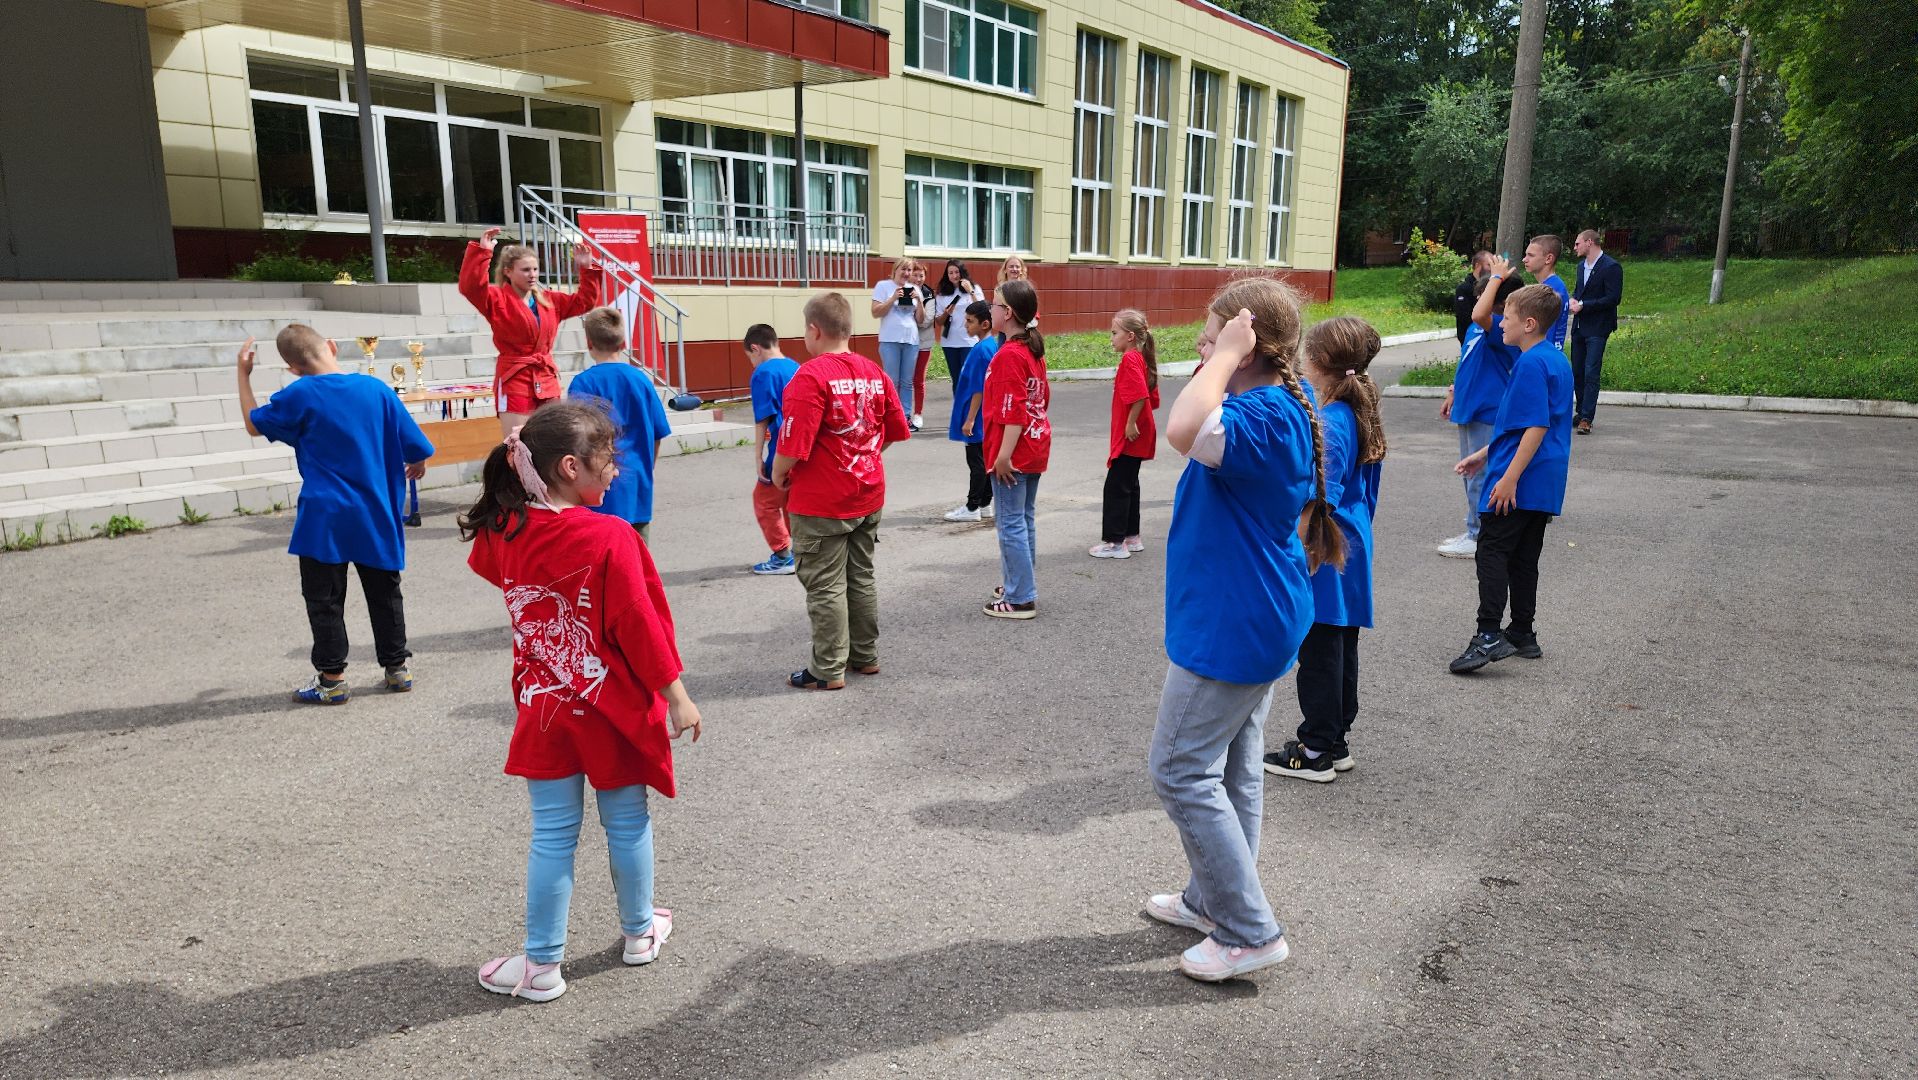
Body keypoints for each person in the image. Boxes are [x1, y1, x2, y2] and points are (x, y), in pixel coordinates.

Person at [461, 402, 702, 1003]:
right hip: (613, 709)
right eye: (607, 460)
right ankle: (640, 933)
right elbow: (638, 624)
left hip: (544, 709)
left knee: (551, 834)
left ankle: (541, 966)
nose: (616, 470)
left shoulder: (505, 529)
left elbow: (493, 566)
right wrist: (677, 695)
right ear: (571, 467)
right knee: (626, 823)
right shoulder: (610, 536)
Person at [1144, 279, 1342, 983]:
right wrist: (1223, 360)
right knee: (1232, 766)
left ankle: (1249, 929)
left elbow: (1180, 430)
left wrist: (1221, 358)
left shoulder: (1257, 415)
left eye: (1214, 332)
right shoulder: (1274, 407)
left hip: (1236, 624)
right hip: (1255, 613)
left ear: (1248, 343)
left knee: (1178, 769)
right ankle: (1214, 898)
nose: (1203, 343)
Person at [237, 326, 434, 705]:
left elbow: (253, 423)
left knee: (324, 597)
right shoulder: (376, 390)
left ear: (293, 368)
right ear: (331, 347)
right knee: (384, 592)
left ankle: (332, 679)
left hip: (324, 514)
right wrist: (418, 463)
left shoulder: (298, 394)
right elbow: (417, 446)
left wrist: (242, 375)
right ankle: (397, 669)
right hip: (375, 510)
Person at [1262, 316, 1387, 783]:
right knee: (1340, 642)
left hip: (1327, 544)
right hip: (1351, 539)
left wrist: (1293, 552)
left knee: (1319, 647)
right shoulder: (1354, 406)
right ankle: (1334, 740)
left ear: (1316, 360)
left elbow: (1320, 498)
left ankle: (1315, 748)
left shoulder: (1334, 420)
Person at [773, 292, 912, 690]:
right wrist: (866, 453)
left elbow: (792, 444)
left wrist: (779, 475)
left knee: (825, 583)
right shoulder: (874, 372)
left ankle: (827, 668)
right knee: (861, 575)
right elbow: (895, 431)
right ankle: (864, 655)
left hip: (822, 501)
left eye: (805, 329)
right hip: (868, 493)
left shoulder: (810, 376)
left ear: (814, 330)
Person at [1449, 283, 1574, 674]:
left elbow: (1535, 425)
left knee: (1491, 551)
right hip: (1544, 476)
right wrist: (1485, 454)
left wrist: (1508, 477)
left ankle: (1487, 634)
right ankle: (1522, 631)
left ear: (1530, 324)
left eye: (1509, 316)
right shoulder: (1555, 359)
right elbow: (1528, 422)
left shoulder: (1530, 363)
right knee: (1523, 556)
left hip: (1521, 476)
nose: (1501, 322)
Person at [460, 227, 601, 437]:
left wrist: (586, 268)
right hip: (514, 378)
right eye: (526, 270)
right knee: (517, 444)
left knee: (553, 443)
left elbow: (585, 302)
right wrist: (483, 253)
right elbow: (470, 287)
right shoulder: (496, 299)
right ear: (508, 271)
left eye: (535, 269)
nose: (532, 275)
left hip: (546, 378)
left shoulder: (550, 300)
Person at [1436, 271, 1525, 559]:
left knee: (1480, 476)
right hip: (1469, 407)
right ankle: (1474, 528)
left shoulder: (1499, 327)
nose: (1476, 302)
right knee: (1470, 474)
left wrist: (1497, 277)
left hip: (1487, 410)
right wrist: (1454, 391)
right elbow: (1468, 359)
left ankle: (1478, 535)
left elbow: (1479, 314)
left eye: (1482, 297)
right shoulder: (1481, 327)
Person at [566, 307, 671, 543]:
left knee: (602, 556)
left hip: (599, 489)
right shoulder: (641, 380)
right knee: (638, 558)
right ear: (623, 343)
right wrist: (647, 466)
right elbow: (657, 432)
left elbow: (578, 439)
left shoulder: (583, 383)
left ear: (589, 342)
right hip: (637, 485)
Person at [981, 280, 1051, 620]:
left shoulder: (1009, 355)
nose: (989, 309)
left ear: (1007, 313)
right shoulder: (1031, 350)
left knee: (1010, 522)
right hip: (1035, 445)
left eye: (994, 305)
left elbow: (1013, 411)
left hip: (1015, 451)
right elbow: (1042, 399)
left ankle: (1021, 596)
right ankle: (1020, 582)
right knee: (1023, 519)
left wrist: (1003, 456)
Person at [1089, 308, 1159, 560]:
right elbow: (1151, 397)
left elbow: (1140, 395)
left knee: (1116, 486)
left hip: (1131, 435)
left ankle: (1114, 542)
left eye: (1114, 332)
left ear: (1130, 336)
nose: (1111, 337)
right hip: (1139, 434)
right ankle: (1131, 536)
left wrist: (1130, 422)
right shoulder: (1140, 357)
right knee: (1130, 484)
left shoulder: (1130, 360)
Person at [744, 323, 800, 574]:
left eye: (750, 357)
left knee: (764, 500)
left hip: (781, 448)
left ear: (755, 348)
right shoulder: (797, 367)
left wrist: (758, 457)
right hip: (802, 447)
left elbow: (762, 418)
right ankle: (799, 552)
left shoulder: (763, 373)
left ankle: (782, 555)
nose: (752, 363)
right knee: (790, 500)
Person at [943, 301, 999, 524]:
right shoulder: (987, 346)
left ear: (984, 324)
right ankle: (985, 503)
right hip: (980, 416)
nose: (965, 325)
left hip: (976, 418)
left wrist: (970, 419)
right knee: (983, 461)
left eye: (969, 321)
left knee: (976, 462)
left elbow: (979, 389)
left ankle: (972, 506)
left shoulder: (982, 351)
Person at [1567, 229, 1623, 435]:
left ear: (1589, 242)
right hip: (1580, 326)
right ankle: (1580, 410)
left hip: (1598, 327)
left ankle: (1587, 418)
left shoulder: (1611, 267)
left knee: (1591, 371)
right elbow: (1579, 291)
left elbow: (1613, 298)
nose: (1575, 248)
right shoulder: (1581, 266)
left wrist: (1584, 305)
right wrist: (1574, 300)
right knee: (1578, 371)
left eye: (1577, 243)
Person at [870, 259, 929, 429]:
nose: (906, 273)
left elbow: (920, 319)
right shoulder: (883, 286)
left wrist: (919, 301)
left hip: (911, 339)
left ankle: (905, 416)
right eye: (903, 269)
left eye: (909, 270)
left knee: (907, 381)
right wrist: (893, 297)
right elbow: (875, 312)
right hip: (890, 339)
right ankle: (890, 414)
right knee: (891, 380)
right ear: (895, 270)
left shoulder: (915, 289)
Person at [934, 259, 984, 390]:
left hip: (969, 340)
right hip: (949, 342)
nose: (954, 276)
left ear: (962, 272)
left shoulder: (974, 288)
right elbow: (939, 321)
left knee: (967, 378)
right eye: (950, 273)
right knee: (956, 381)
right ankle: (959, 409)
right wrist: (946, 313)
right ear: (947, 275)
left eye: (957, 272)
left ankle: (970, 409)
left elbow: (982, 310)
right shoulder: (942, 293)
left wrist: (971, 291)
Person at [1520, 234, 1570, 351]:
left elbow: (1545, 332)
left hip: (1544, 357)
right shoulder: (1554, 285)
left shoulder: (1551, 290)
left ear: (1548, 259)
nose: (1524, 259)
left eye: (1530, 255)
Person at [911, 262, 938, 432]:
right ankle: (902, 414)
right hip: (904, 343)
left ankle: (918, 414)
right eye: (916, 274)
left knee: (918, 380)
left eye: (922, 275)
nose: (919, 279)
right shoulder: (900, 291)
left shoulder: (928, 295)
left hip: (922, 344)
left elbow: (925, 321)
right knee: (902, 381)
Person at [1453, 250, 1493, 344]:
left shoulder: (1492, 287)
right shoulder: (1463, 289)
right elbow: (1464, 317)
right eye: (1489, 265)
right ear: (1478, 266)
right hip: (1471, 338)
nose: (1492, 269)